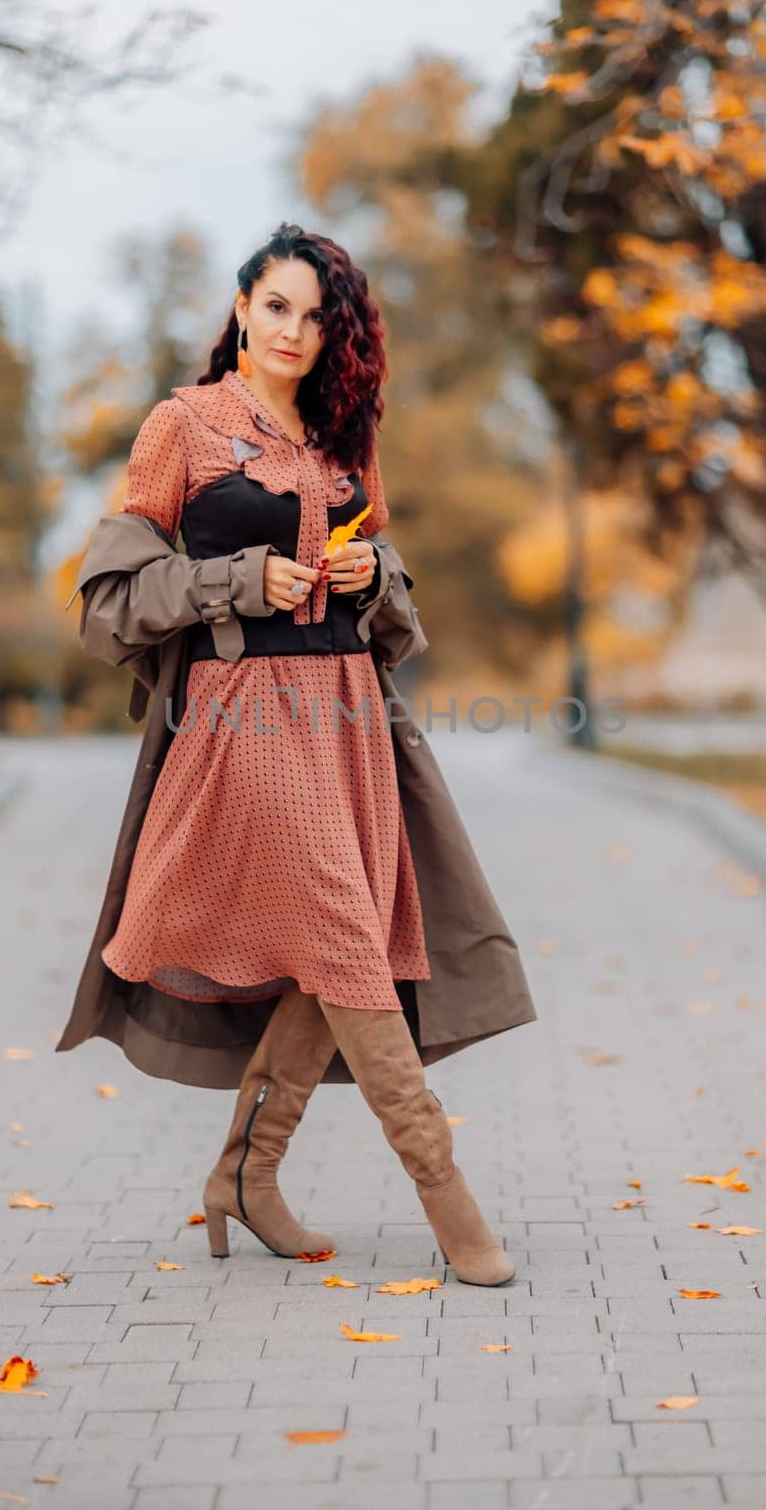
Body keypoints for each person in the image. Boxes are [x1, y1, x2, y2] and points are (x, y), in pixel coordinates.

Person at [59, 222, 536, 1287]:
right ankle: (446, 1192)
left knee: (336, 946)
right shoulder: (181, 427)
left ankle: (242, 1175)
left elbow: (393, 610)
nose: (295, 330)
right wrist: (233, 582)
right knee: (343, 935)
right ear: (239, 308)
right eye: (276, 306)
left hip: (348, 716)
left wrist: (372, 575)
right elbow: (109, 601)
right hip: (245, 718)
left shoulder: (339, 439)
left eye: (317, 316)